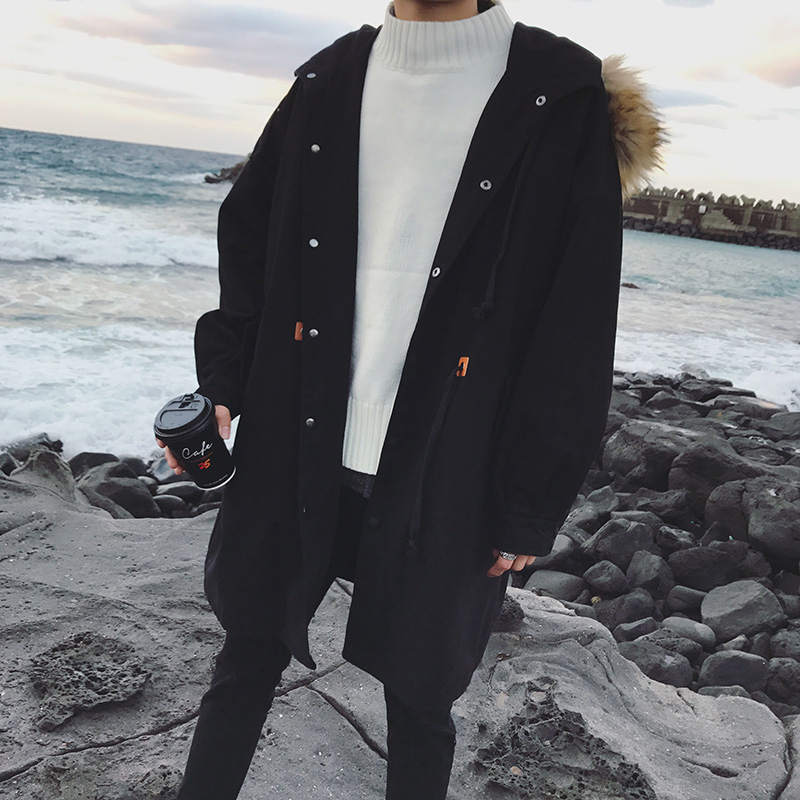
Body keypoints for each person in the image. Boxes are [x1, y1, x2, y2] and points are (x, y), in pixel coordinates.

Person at [156, 0, 665, 797]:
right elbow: (250, 239)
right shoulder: (328, 78)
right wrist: (223, 382)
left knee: (422, 698)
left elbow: (577, 313)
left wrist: (531, 497)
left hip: (451, 455)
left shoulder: (561, 92)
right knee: (246, 654)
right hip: (301, 433)